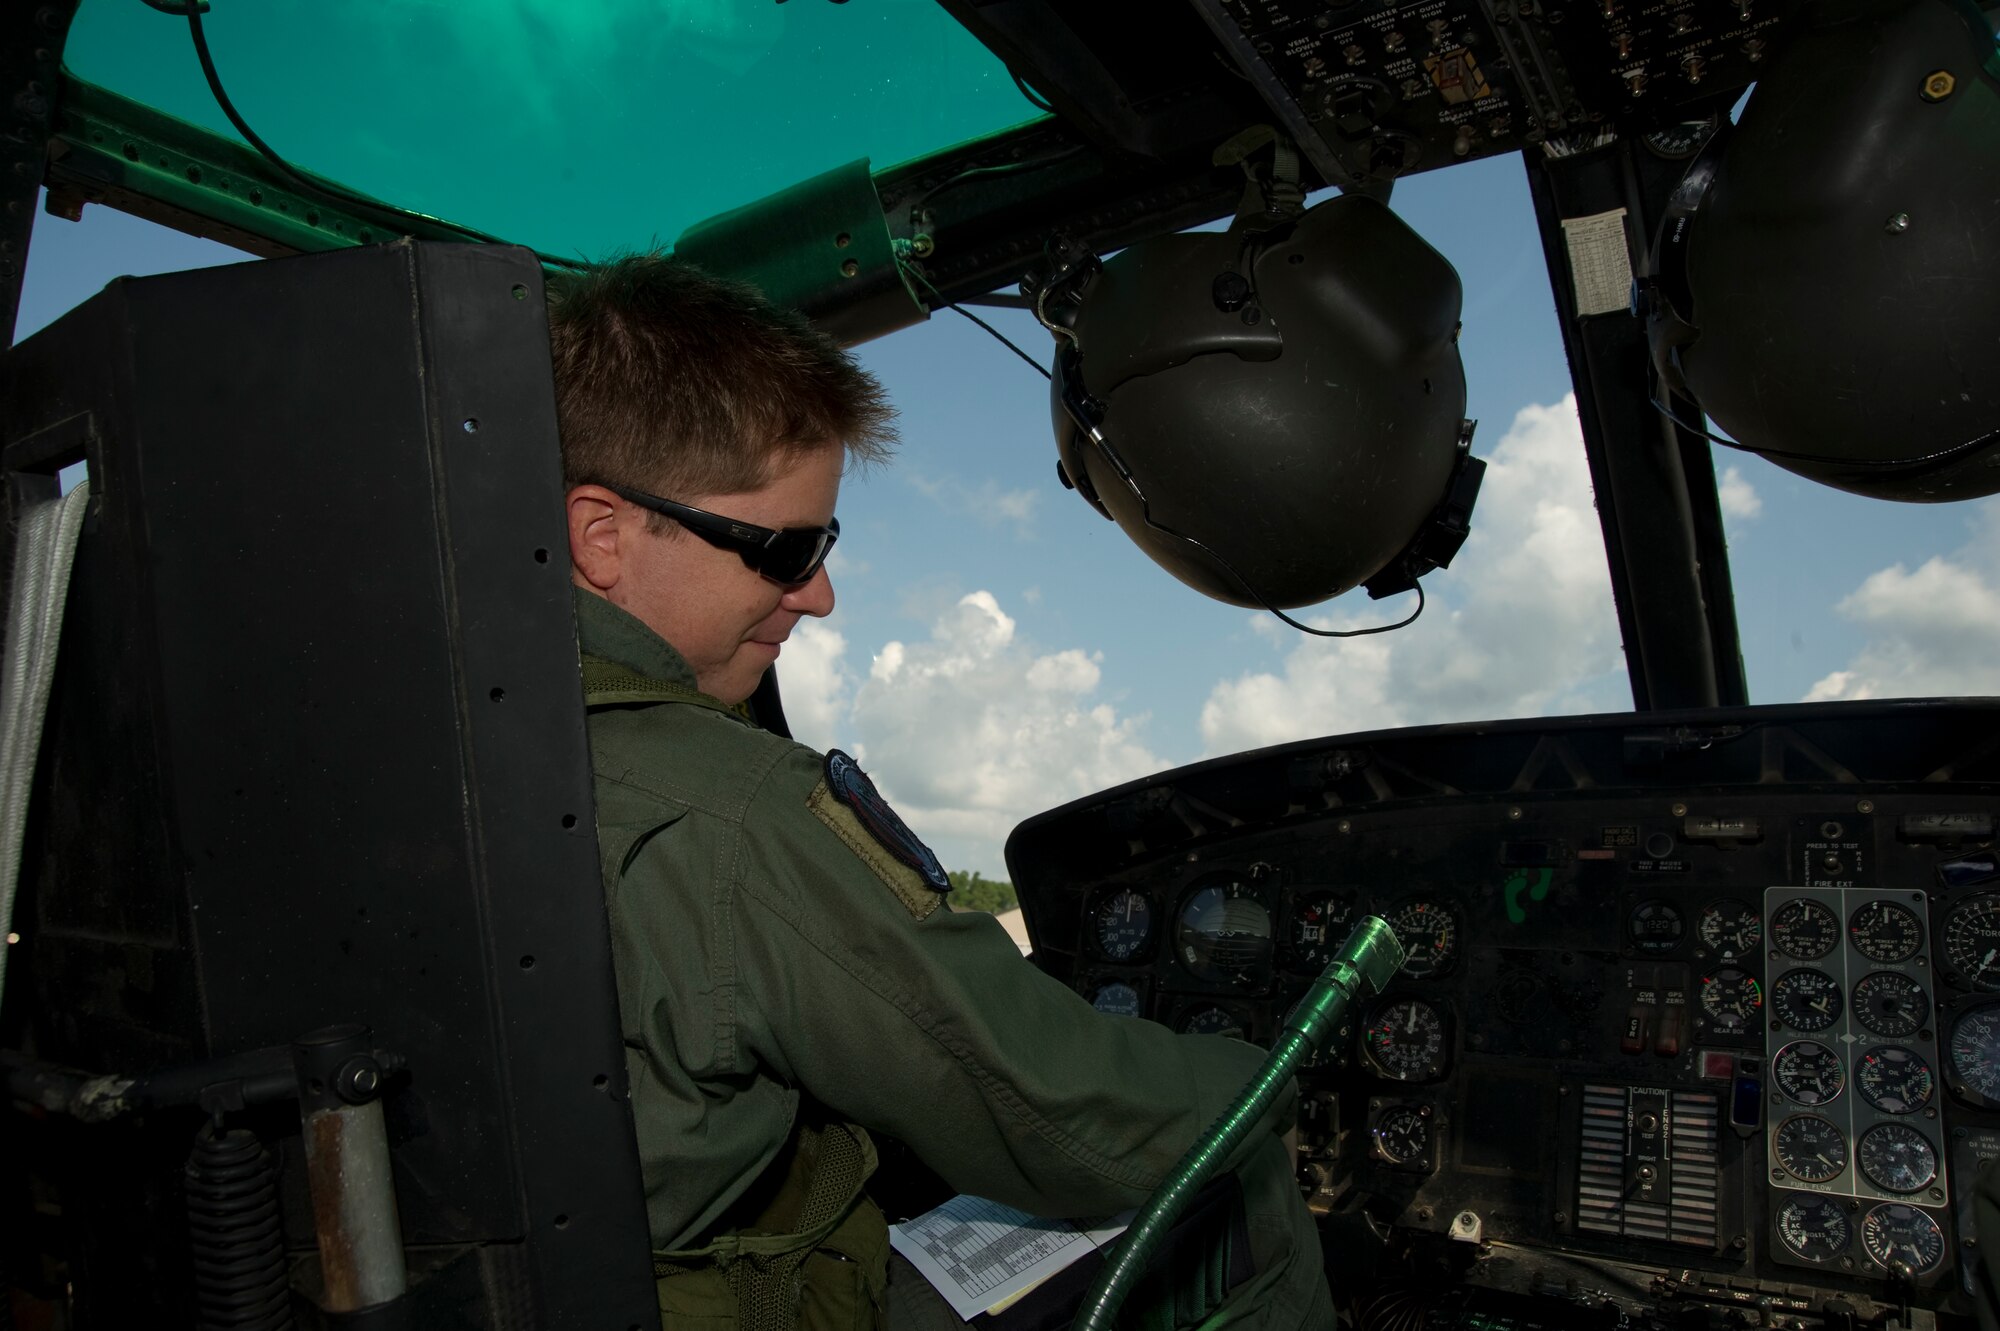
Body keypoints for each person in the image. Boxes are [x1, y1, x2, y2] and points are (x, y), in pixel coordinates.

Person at [550, 251, 1331, 1330]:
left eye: (825, 543)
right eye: (785, 549)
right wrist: (1265, 1079)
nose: (819, 595)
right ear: (602, 535)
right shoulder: (735, 815)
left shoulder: (447, 743)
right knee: (1239, 1179)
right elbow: (1056, 1112)